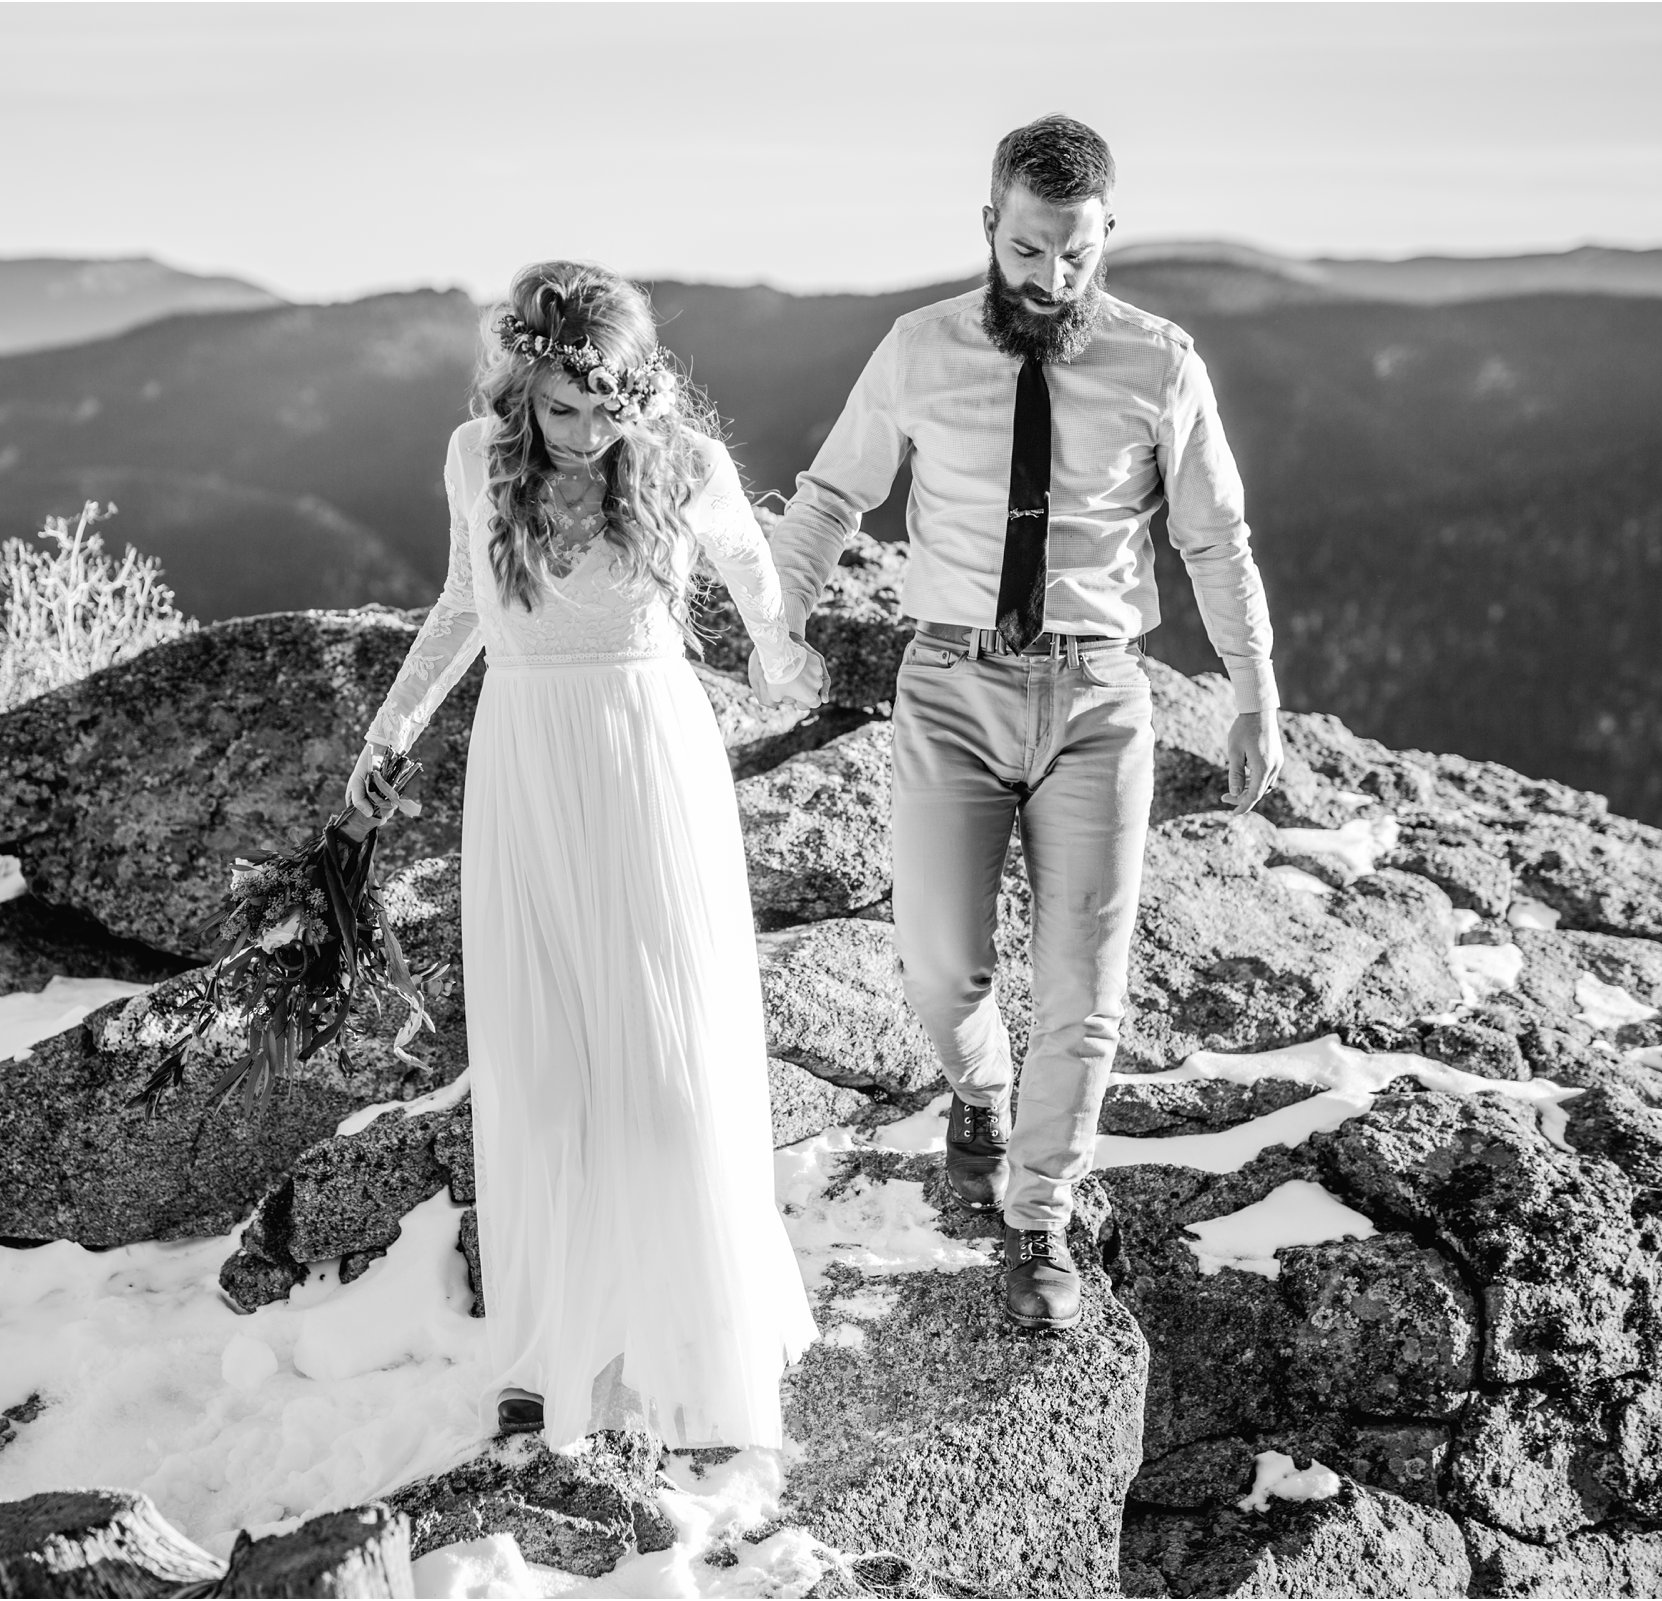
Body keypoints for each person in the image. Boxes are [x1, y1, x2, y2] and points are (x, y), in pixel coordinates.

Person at [762, 114, 1285, 1332]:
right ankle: (979, 1088)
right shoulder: (915, 348)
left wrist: (1254, 689)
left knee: (1082, 983)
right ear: (986, 225)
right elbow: (833, 491)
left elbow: (1212, 534)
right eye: (1026, 251)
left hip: (1100, 696)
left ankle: (1040, 1214)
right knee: (941, 960)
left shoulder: (1159, 362)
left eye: (1074, 255)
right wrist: (775, 622)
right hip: (948, 684)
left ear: (1106, 236)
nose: (1050, 279)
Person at [345, 262, 825, 1449]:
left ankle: (692, 1341)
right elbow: (464, 601)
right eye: (560, 409)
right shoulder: (475, 460)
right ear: (519, 388)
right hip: (522, 764)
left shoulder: (682, 465)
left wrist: (782, 659)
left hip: (650, 767)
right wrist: (387, 733)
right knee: (543, 1072)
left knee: (665, 1066)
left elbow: (760, 590)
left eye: (608, 410)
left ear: (641, 394)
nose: (583, 432)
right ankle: (558, 1345)